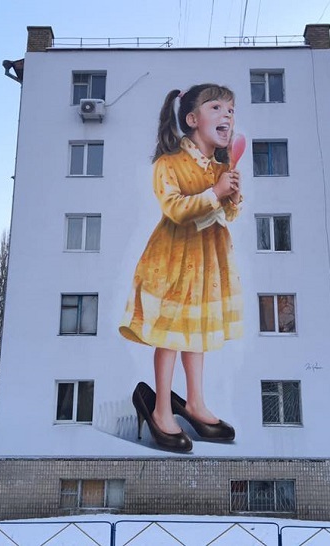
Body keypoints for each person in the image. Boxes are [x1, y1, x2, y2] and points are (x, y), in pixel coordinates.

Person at [120, 83, 243, 452]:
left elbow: (229, 215)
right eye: (217, 107)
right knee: (170, 334)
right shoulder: (168, 164)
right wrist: (215, 193)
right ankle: (160, 409)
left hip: (207, 265)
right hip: (172, 262)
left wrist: (231, 196)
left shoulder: (220, 168)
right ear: (192, 119)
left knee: (196, 331)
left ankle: (195, 403)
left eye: (231, 110)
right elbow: (174, 208)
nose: (227, 115)